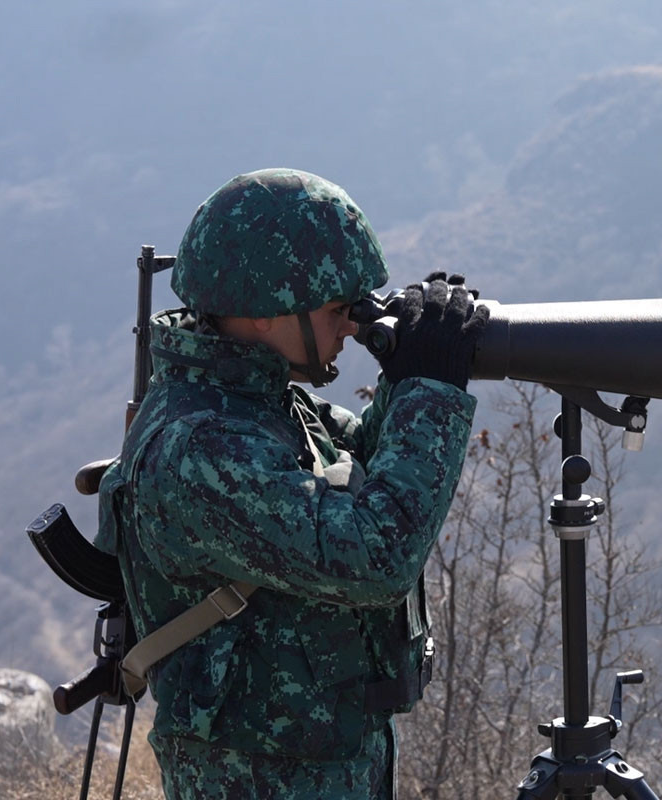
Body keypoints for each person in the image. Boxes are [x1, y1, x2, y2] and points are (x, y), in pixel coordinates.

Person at [93, 168, 487, 798]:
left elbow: (371, 464)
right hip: (254, 779)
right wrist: (431, 391)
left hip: (317, 769)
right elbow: (375, 555)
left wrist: (410, 370)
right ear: (262, 314)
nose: (351, 328)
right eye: (337, 310)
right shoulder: (202, 448)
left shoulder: (264, 407)